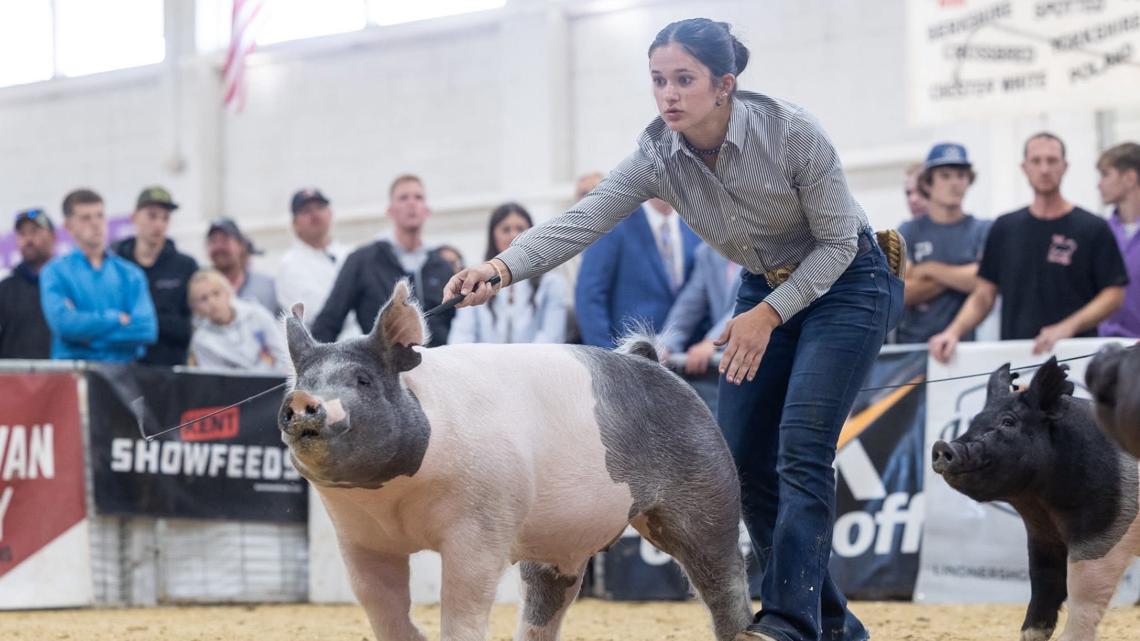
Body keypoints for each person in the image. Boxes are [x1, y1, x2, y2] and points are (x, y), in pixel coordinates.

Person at [443, 19, 902, 641]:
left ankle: (789, 624)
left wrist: (768, 314)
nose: (669, 94)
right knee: (743, 459)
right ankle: (834, 628)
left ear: (724, 84)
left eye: (685, 80)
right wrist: (499, 268)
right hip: (764, 287)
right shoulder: (658, 154)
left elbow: (839, 244)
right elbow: (582, 221)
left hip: (849, 281)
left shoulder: (793, 132)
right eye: (659, 80)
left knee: (801, 448)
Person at [929, 133, 1127, 361]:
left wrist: (1069, 326)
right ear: (1024, 167)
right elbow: (984, 294)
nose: (1044, 169)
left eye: (1052, 161)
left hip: (1077, 357)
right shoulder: (1005, 228)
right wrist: (953, 332)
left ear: (1064, 166)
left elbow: (1114, 293)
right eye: (1036, 161)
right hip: (1018, 358)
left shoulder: (1092, 228)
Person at [313, 174, 455, 345]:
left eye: (418, 197)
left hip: (435, 359)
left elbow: (458, 325)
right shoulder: (362, 261)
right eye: (403, 198)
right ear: (390, 211)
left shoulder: (442, 266)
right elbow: (329, 321)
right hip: (382, 360)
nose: (412, 203)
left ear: (427, 210)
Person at [40, 189, 157, 362]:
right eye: (85, 218)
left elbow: (146, 329)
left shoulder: (131, 274)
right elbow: (65, 325)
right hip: (74, 372)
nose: (96, 224)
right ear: (68, 226)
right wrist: (116, 318)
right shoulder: (55, 272)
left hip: (122, 373)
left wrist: (87, 339)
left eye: (100, 215)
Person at [574, 197, 702, 347]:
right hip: (628, 352)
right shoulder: (614, 221)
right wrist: (606, 354)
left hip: (687, 354)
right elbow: (589, 294)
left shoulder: (697, 224)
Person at [896, 143, 990, 344]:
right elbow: (900, 293)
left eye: (961, 176)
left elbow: (985, 283)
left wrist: (928, 269)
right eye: (945, 176)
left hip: (964, 346)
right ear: (927, 184)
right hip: (913, 347)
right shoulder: (909, 231)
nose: (954, 183)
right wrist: (961, 277)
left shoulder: (981, 229)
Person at [448, 203, 567, 344]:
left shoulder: (551, 283)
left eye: (520, 229)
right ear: (493, 236)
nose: (514, 235)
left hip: (538, 358)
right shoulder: (475, 281)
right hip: (483, 358)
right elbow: (462, 335)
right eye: (506, 229)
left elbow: (551, 337)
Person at [114, 186, 198, 366]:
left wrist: (137, 320)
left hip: (169, 369)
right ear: (134, 217)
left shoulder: (185, 266)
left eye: (165, 218)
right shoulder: (115, 265)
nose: (159, 224)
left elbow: (189, 327)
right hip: (121, 366)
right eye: (152, 216)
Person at [275, 188, 354, 331]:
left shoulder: (350, 254)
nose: (315, 214)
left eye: (320, 207)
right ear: (294, 223)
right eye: (306, 211)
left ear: (330, 213)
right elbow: (316, 313)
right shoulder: (289, 265)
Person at [661, 243, 740, 375]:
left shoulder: (768, 245)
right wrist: (665, 344)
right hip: (725, 360)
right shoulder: (707, 251)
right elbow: (689, 306)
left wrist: (712, 341)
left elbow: (753, 303)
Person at [186, 270, 289, 373]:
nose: (212, 302)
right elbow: (215, 377)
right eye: (203, 299)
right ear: (196, 308)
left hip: (274, 377)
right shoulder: (201, 340)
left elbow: (282, 354)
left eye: (216, 293)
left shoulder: (257, 314)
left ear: (228, 293)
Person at [0, 209, 56, 359]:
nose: (28, 239)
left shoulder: (67, 284)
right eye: (22, 233)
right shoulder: (5, 289)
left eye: (34, 231)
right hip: (13, 372)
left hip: (62, 371)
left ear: (53, 236)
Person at [1097, 142, 1140, 338]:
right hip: (1104, 346)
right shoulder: (1100, 232)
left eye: (1106, 174)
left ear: (1130, 178)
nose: (1099, 184)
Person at [207, 217, 279, 315]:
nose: (218, 247)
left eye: (225, 240)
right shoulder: (203, 290)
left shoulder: (266, 285)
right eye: (213, 241)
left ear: (240, 245)